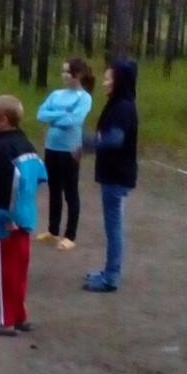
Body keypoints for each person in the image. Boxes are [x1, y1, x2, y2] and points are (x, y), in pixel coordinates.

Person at [0, 95, 47, 336]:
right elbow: (40, 174)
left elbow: (4, 184)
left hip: (3, 223)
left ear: (3, 120)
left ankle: (4, 321)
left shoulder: (0, 149)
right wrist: (24, 203)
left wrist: (6, 216)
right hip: (26, 217)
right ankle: (19, 316)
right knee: (18, 271)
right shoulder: (26, 143)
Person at [81, 60, 138, 292]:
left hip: (117, 176)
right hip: (114, 174)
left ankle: (111, 277)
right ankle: (108, 271)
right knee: (112, 227)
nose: (104, 83)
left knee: (113, 228)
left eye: (108, 79)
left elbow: (115, 139)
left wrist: (86, 142)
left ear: (119, 81)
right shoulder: (119, 105)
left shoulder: (122, 108)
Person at [36, 57, 94, 250]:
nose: (64, 75)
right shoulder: (56, 94)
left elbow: (74, 121)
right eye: (63, 71)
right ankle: (53, 230)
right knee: (54, 190)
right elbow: (41, 114)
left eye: (68, 71)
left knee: (70, 191)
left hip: (71, 150)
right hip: (51, 147)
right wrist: (62, 115)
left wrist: (54, 119)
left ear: (78, 74)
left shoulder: (84, 97)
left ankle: (70, 235)